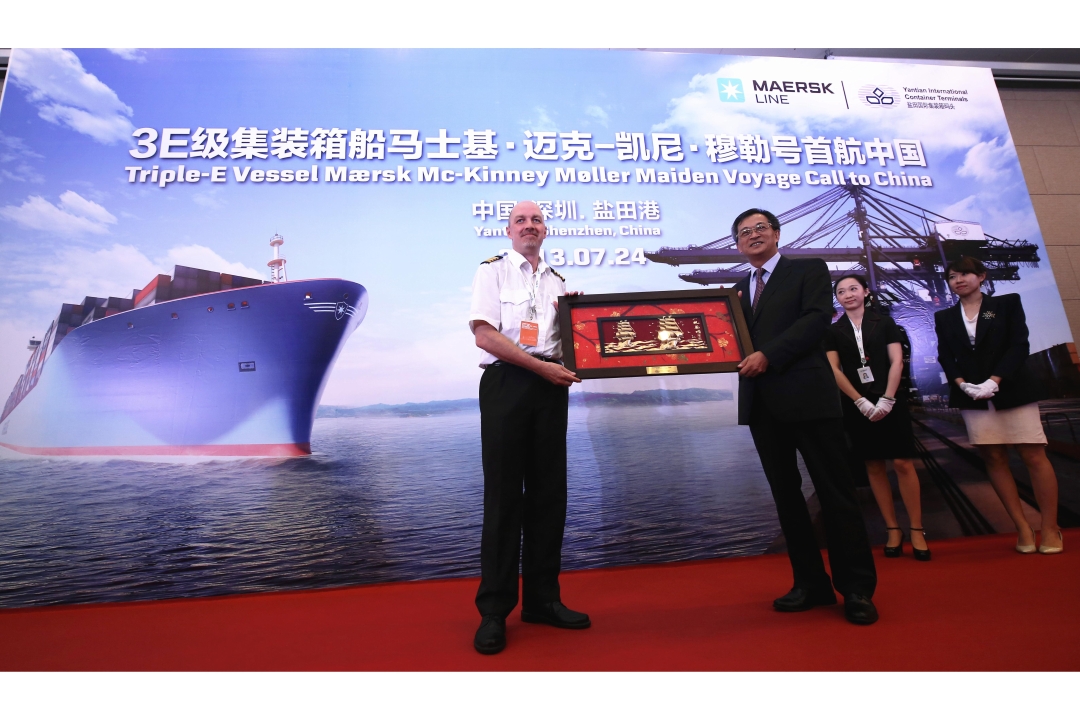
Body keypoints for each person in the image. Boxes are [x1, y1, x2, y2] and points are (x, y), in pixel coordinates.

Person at [732, 208, 879, 625]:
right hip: (762, 405)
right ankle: (809, 583)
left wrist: (768, 355)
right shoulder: (736, 291)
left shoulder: (809, 270)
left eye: (760, 228)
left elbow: (816, 321)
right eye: (744, 233)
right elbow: (722, 338)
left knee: (835, 493)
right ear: (738, 245)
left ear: (777, 234)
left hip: (809, 398)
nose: (753, 235)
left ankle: (856, 589)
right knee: (787, 498)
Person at [467, 200, 590, 655]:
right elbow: (485, 335)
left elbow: (563, 342)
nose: (529, 226)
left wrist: (576, 323)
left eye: (536, 220)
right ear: (508, 230)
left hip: (550, 386)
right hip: (508, 383)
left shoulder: (558, 281)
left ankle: (542, 600)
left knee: (547, 496)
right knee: (503, 498)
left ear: (546, 229)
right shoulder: (492, 272)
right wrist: (542, 370)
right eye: (520, 220)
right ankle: (494, 612)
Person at [934, 256, 1063, 554]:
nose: (958, 280)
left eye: (965, 273)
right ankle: (1022, 527)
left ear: (981, 276)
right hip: (971, 395)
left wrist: (995, 381)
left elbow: (1020, 345)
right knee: (993, 458)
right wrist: (962, 384)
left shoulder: (1006, 304)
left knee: (1033, 455)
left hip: (1012, 389)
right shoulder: (944, 317)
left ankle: (1052, 527)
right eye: (952, 276)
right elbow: (945, 356)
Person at [824, 274, 930, 561]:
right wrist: (859, 401)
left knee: (902, 462)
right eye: (841, 291)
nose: (847, 294)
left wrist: (888, 398)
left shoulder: (884, 323)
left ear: (866, 292)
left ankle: (917, 529)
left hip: (890, 401)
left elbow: (897, 360)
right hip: (857, 406)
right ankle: (893, 529)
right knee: (873, 466)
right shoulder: (833, 331)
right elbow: (834, 370)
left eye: (853, 289)